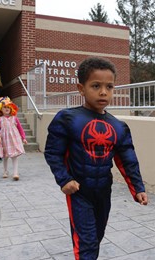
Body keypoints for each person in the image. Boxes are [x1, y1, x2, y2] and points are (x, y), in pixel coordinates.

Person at [44, 57, 148, 260]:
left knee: (97, 236)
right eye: (96, 86)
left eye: (109, 86)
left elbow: (128, 160)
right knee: (87, 243)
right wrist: (64, 180)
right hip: (79, 192)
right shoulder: (67, 119)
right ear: (81, 88)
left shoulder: (119, 126)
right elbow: (53, 153)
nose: (103, 92)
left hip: (104, 191)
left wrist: (138, 188)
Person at [0, 97, 28, 180]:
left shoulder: (15, 118)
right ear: (1, 109)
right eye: (4, 107)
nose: (7, 109)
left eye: (8, 107)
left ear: (11, 108)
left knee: (14, 156)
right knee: (5, 156)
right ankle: (5, 171)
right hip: (4, 140)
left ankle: (15, 173)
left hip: (14, 139)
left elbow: (20, 128)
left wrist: (23, 138)